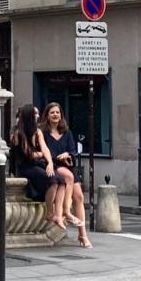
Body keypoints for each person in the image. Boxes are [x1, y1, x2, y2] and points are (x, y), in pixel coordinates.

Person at [41, 102, 92, 248]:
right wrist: (57, 157)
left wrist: (67, 154)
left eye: (57, 112)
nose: (55, 115)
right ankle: (66, 211)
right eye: (52, 112)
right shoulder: (43, 133)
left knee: (80, 197)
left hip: (67, 166)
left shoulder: (67, 132)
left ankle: (82, 235)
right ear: (47, 116)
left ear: (61, 115)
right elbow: (45, 153)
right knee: (68, 177)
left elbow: (73, 151)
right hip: (54, 166)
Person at [9, 104, 65, 220]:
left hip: (36, 163)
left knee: (61, 181)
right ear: (29, 116)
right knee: (52, 181)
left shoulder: (37, 131)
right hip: (25, 166)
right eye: (35, 114)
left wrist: (49, 163)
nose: (38, 116)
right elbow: (29, 154)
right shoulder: (19, 133)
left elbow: (45, 148)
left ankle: (58, 215)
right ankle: (50, 213)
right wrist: (41, 154)